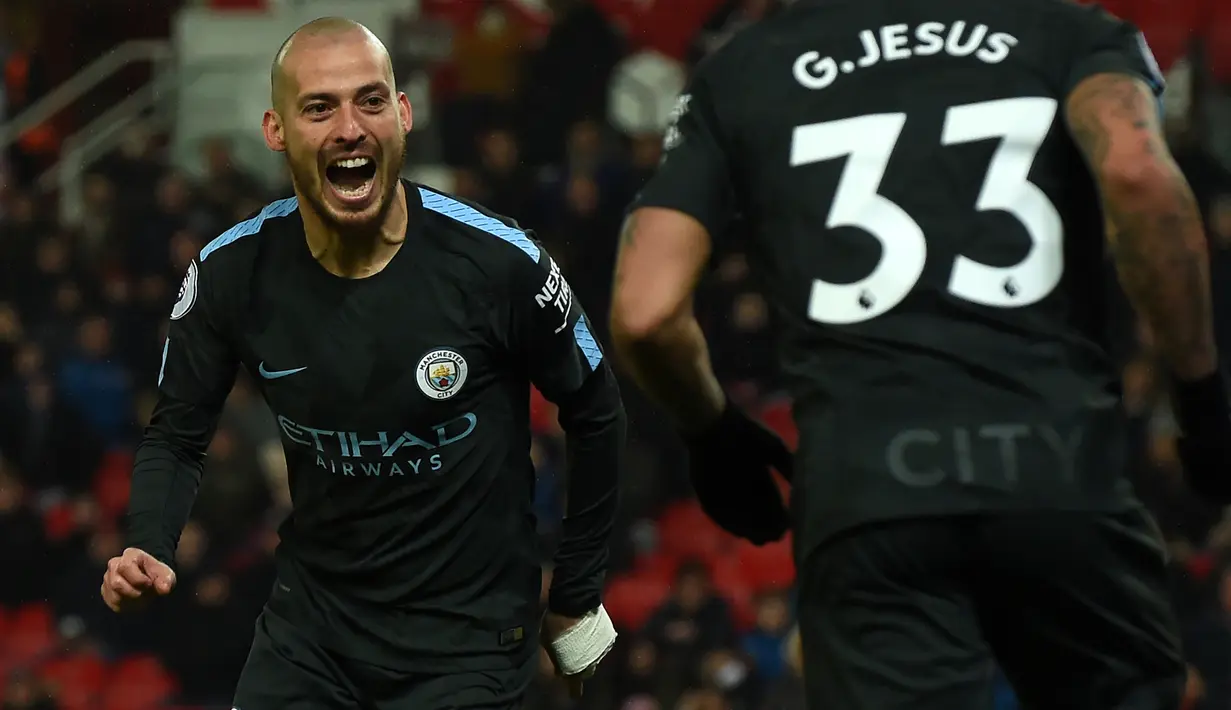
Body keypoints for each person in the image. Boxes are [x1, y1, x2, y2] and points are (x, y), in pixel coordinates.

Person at [610, 1, 1231, 708]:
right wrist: (1201, 400)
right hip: (1057, 469)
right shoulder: (1070, 33)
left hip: (867, 495)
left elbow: (645, 309)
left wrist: (711, 433)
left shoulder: (743, 69)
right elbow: (1137, 175)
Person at [100, 17, 624, 709]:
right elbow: (176, 433)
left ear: (403, 115)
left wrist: (577, 593)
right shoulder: (232, 271)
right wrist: (148, 542)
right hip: (310, 639)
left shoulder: (498, 264)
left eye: (370, 101)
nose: (350, 127)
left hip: (467, 651)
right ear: (276, 130)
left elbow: (598, 411)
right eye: (319, 107)